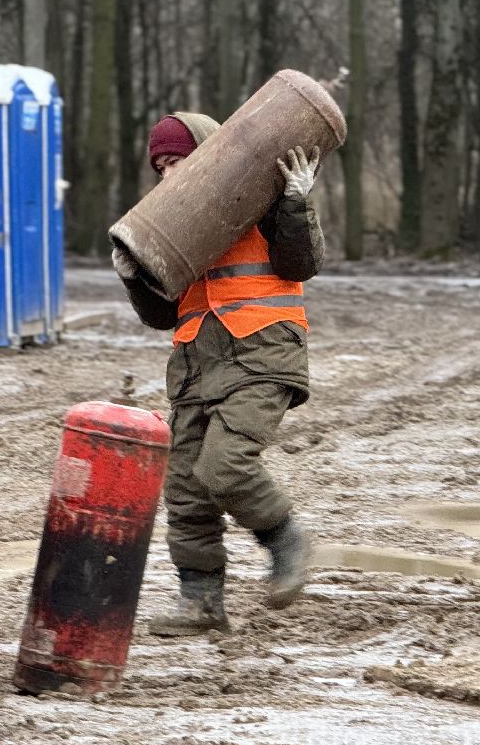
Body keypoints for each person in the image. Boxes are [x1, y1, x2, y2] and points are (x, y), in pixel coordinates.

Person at [113, 112, 324, 636]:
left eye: (176, 159)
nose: (166, 172)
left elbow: (302, 264)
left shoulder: (264, 197)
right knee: (185, 488)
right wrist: (135, 279)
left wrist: (296, 203)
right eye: (159, 164)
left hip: (262, 350)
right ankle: (202, 602)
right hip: (194, 363)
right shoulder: (166, 224)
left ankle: (287, 540)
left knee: (224, 467)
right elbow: (161, 313)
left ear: (209, 154)